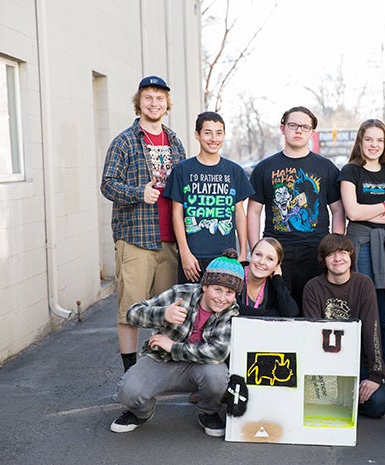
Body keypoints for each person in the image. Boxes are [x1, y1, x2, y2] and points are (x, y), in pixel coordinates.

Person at [101, 75, 186, 373]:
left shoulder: (175, 142)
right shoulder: (124, 141)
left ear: (166, 104)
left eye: (159, 98)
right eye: (148, 97)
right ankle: (130, 374)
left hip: (170, 240)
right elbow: (108, 185)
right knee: (131, 310)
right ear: (139, 103)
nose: (154, 103)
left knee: (166, 313)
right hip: (136, 238)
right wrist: (139, 192)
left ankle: (155, 373)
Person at [110, 249, 244, 437]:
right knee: (128, 392)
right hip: (162, 361)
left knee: (217, 376)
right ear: (205, 286)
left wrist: (173, 347)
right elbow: (132, 313)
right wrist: (163, 314)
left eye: (230, 292)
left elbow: (217, 352)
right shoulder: (181, 294)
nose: (222, 298)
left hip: (199, 367)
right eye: (217, 289)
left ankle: (208, 412)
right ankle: (142, 413)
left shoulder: (230, 312)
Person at [247, 106, 345, 310]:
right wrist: (258, 250)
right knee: (278, 310)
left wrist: (335, 247)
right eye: (293, 125)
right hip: (277, 251)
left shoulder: (326, 167)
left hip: (315, 250)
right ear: (283, 128)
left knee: (313, 309)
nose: (298, 130)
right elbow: (253, 212)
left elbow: (338, 210)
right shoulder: (265, 168)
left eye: (304, 126)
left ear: (312, 132)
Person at [339, 119, 385, 404]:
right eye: (369, 139)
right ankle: (362, 371)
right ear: (360, 141)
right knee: (364, 310)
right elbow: (352, 213)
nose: (374, 145)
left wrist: (381, 212)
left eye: (379, 140)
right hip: (362, 247)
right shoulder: (350, 171)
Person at [302, 233, 385, 419]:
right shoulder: (313, 287)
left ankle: (346, 398)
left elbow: (371, 330)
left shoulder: (363, 284)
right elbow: (313, 334)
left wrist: (375, 376)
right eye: (331, 254)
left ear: (351, 256)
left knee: (379, 404)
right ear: (324, 260)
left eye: (342, 252)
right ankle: (342, 399)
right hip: (326, 363)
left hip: (358, 362)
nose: (337, 258)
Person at [164, 111, 254, 284]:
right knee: (190, 308)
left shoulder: (235, 171)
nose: (214, 138)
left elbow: (239, 214)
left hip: (226, 257)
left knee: (223, 306)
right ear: (197, 135)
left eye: (219, 133)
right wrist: (185, 254)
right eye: (207, 132)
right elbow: (176, 214)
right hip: (193, 257)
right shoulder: (182, 170)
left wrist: (243, 252)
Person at [238, 237, 299, 317]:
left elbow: (291, 313)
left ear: (277, 266)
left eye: (270, 259)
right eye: (258, 254)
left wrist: (277, 280)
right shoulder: (235, 273)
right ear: (251, 255)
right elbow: (233, 308)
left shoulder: (274, 283)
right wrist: (274, 315)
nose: (261, 262)